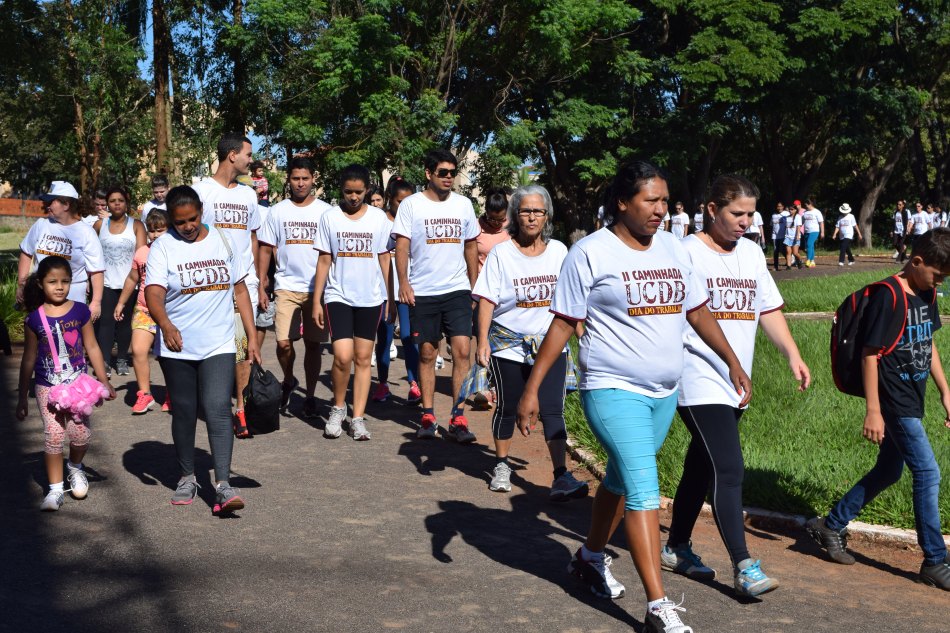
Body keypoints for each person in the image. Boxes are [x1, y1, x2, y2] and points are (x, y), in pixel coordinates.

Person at [517, 161, 751, 633]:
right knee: (645, 489)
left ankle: (589, 557)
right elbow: (563, 323)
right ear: (623, 202)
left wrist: (730, 359)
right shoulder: (590, 253)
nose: (661, 210)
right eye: (651, 200)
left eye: (664, 200)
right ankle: (658, 608)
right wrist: (532, 388)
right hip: (611, 389)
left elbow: (697, 310)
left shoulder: (673, 248)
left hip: (663, 392)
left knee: (621, 480)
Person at [662, 175, 810, 598]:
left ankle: (676, 547)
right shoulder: (686, 252)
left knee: (701, 466)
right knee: (729, 469)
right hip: (697, 376)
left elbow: (768, 308)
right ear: (712, 210)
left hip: (735, 380)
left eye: (751, 214)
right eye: (737, 213)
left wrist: (792, 353)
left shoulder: (750, 252)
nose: (746, 221)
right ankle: (744, 566)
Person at [807, 228, 950, 591]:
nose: (940, 282)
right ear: (916, 261)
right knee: (927, 472)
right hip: (893, 398)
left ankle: (830, 525)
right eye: (937, 275)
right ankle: (935, 560)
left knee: (889, 470)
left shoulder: (926, 291)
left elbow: (928, 341)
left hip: (913, 395)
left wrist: (945, 391)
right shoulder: (889, 296)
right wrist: (873, 409)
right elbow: (870, 355)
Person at [145, 185, 260, 514]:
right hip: (177, 344)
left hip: (219, 341)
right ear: (171, 220)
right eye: (180, 222)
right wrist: (165, 325)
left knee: (217, 407)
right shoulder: (163, 247)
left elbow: (240, 291)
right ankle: (187, 477)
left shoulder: (223, 239)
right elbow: (153, 293)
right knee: (184, 409)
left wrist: (251, 336)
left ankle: (223, 485)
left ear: (201, 212)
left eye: (192, 219)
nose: (188, 226)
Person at [472, 184, 588, 501]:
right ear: (515, 215)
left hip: (550, 345)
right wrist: (482, 341)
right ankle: (501, 464)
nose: (532, 217)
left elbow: (572, 300)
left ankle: (561, 475)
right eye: (525, 211)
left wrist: (582, 335)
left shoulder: (560, 251)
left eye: (538, 211)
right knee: (508, 406)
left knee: (553, 409)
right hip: (508, 344)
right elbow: (487, 300)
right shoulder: (501, 253)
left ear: (547, 215)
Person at [392, 149, 480, 442]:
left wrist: (474, 285)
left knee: (462, 351)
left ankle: (458, 417)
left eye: (452, 173)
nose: (449, 177)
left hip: (457, 289)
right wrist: (403, 283)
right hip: (423, 291)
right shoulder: (412, 205)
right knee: (428, 352)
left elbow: (470, 245)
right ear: (428, 174)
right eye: (443, 172)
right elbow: (402, 246)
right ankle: (428, 416)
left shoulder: (463, 204)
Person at [16, 256, 116, 511]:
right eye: (53, 282)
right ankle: (55, 489)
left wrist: (104, 381)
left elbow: (92, 346)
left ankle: (75, 466)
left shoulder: (80, 311)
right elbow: (28, 358)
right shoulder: (34, 319)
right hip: (47, 386)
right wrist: (22, 396)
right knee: (53, 435)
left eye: (65, 281)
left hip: (77, 385)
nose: (60, 287)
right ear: (41, 284)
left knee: (80, 434)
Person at [312, 164, 393, 440]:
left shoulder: (379, 219)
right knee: (342, 356)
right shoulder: (330, 218)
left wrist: (391, 298)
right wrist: (316, 300)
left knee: (363, 359)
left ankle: (357, 418)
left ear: (367, 190)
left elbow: (385, 259)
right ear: (341, 190)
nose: (354, 197)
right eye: (348, 192)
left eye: (359, 192)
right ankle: (338, 407)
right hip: (338, 295)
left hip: (370, 297)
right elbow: (324, 260)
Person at [193, 133, 262, 435]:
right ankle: (214, 401)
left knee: (243, 347)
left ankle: (241, 409)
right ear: (232, 155)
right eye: (248, 154)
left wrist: (260, 278)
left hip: (244, 283)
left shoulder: (249, 195)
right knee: (213, 346)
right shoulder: (201, 192)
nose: (251, 160)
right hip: (210, 285)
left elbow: (253, 238)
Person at [257, 157, 332, 418]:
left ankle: (310, 396)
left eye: (305, 178)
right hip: (285, 286)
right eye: (295, 178)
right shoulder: (277, 211)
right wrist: (261, 282)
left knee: (313, 345)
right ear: (288, 180)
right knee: (283, 344)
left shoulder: (326, 212)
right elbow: (265, 247)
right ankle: (289, 379)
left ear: (313, 179)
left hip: (317, 289)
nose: (300, 183)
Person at [18, 181, 105, 320]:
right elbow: (26, 253)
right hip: (40, 294)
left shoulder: (86, 232)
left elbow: (97, 270)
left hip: (73, 296)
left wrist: (96, 302)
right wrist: (22, 285)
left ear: (66, 205)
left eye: (51, 202)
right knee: (40, 330)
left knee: (70, 331)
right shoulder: (41, 225)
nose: (47, 205)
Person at [113, 209, 171, 414]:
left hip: (170, 311)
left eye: (160, 230)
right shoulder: (141, 253)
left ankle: (172, 393)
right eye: (151, 231)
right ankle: (145, 394)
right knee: (138, 350)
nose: (155, 235)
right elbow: (132, 278)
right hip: (144, 309)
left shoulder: (176, 251)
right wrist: (121, 303)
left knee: (169, 356)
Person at [373, 176, 422, 404]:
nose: (404, 206)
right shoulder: (380, 222)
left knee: (409, 337)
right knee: (384, 338)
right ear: (389, 199)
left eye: (408, 201)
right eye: (400, 201)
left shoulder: (416, 221)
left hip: (409, 290)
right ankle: (382, 384)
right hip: (384, 292)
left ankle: (414, 384)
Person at [93, 186, 146, 377]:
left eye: (120, 200)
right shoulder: (99, 225)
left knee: (124, 323)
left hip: (130, 283)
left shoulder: (137, 225)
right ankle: (105, 361)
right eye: (113, 200)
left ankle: (122, 358)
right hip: (106, 283)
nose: (117, 204)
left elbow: (142, 255)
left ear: (126, 202)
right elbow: (91, 253)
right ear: (107, 203)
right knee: (106, 322)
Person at [801, 199, 824, 267]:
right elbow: (802, 222)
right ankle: (812, 261)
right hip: (806, 231)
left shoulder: (817, 212)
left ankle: (808, 260)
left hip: (814, 231)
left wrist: (822, 232)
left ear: (810, 204)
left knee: (809, 244)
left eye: (806, 205)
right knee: (811, 246)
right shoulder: (805, 212)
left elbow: (821, 222)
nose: (805, 206)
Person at [774, 203, 792, 271]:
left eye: (780, 206)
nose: (779, 208)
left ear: (783, 207)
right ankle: (775, 266)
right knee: (775, 250)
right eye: (778, 206)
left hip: (783, 235)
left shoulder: (786, 213)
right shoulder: (773, 215)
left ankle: (790, 260)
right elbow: (772, 225)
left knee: (782, 249)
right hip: (775, 235)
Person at [789, 201, 805, 269]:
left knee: (801, 249)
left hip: (801, 232)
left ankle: (801, 261)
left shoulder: (803, 212)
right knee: (791, 251)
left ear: (800, 204)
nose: (796, 206)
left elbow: (800, 225)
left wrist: (798, 234)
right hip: (790, 235)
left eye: (797, 205)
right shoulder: (789, 216)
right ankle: (790, 264)